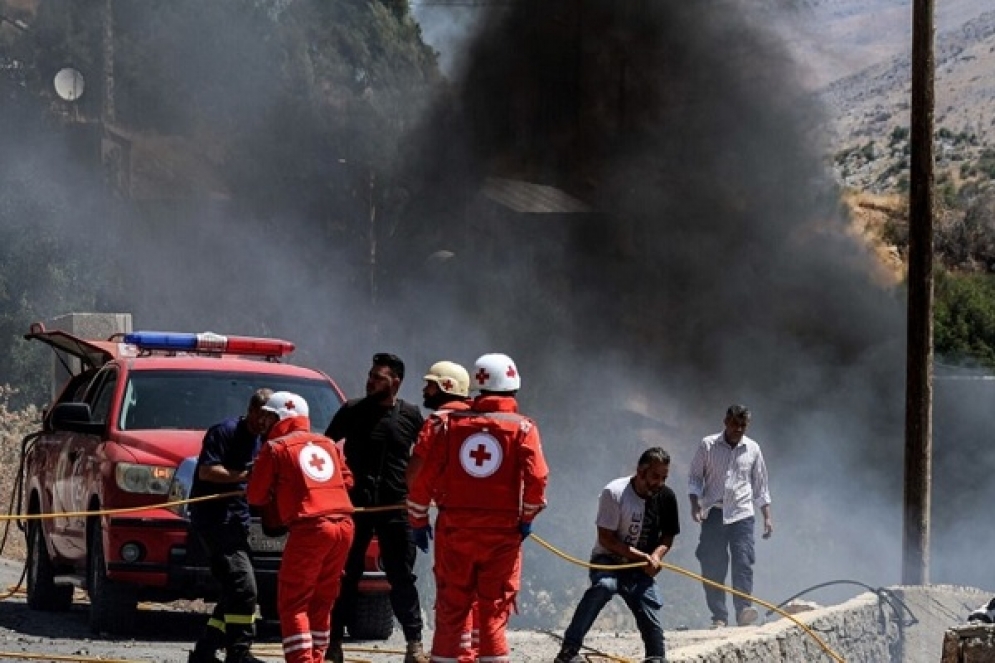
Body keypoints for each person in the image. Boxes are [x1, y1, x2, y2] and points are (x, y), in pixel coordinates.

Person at [407, 352, 549, 663]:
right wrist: (525, 518)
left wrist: (417, 520)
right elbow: (537, 479)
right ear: (514, 386)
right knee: (493, 613)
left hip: (454, 531)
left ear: (478, 385)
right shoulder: (523, 427)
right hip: (502, 536)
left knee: (451, 610)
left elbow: (421, 481)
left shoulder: (448, 425)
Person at [325, 353, 428, 663]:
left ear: (395, 382)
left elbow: (425, 454)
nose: (370, 381)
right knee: (345, 575)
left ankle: (414, 645)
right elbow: (326, 447)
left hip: (395, 508)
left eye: (378, 377)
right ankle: (332, 643)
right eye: (370, 375)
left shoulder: (410, 414)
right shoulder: (353, 410)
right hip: (356, 508)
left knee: (402, 576)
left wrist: (413, 489)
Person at [245, 392, 355, 663]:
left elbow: (255, 496)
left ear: (278, 418)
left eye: (268, 416)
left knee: (293, 601)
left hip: (311, 528)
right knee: (323, 599)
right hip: (343, 526)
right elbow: (348, 481)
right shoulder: (327, 443)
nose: (265, 422)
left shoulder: (275, 448)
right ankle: (316, 657)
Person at [553, 447, 680, 663]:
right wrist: (642, 557)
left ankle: (656, 657)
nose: (659, 483)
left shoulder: (666, 496)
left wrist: (657, 556)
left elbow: (668, 536)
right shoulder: (614, 493)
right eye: (655, 476)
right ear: (641, 471)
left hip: (640, 566)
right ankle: (568, 652)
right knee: (604, 587)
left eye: (664, 477)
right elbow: (606, 539)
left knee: (648, 604)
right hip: (608, 559)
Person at [187, 388, 272, 663]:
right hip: (213, 521)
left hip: (238, 521)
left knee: (233, 590)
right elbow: (207, 471)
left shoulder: (264, 440)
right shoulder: (224, 432)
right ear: (251, 410)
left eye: (269, 417)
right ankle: (239, 652)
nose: (264, 422)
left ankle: (204, 652)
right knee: (244, 586)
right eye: (261, 415)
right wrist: (246, 477)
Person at [405, 360, 478, 659]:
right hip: (495, 523)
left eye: (431, 384)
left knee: (453, 592)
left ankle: (457, 655)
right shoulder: (486, 420)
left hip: (455, 521)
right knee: (480, 596)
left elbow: (418, 476)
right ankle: (473, 653)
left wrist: (418, 518)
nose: (425, 389)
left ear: (446, 387)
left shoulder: (439, 422)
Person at [688, 404, 773, 628]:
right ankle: (719, 616)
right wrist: (694, 505)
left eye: (743, 425)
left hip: (742, 514)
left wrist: (767, 517)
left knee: (743, 560)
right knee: (713, 564)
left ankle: (743, 609)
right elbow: (695, 478)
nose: (738, 429)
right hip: (714, 513)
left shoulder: (753, 449)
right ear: (726, 422)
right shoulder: (708, 445)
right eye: (735, 424)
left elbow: (760, 486)